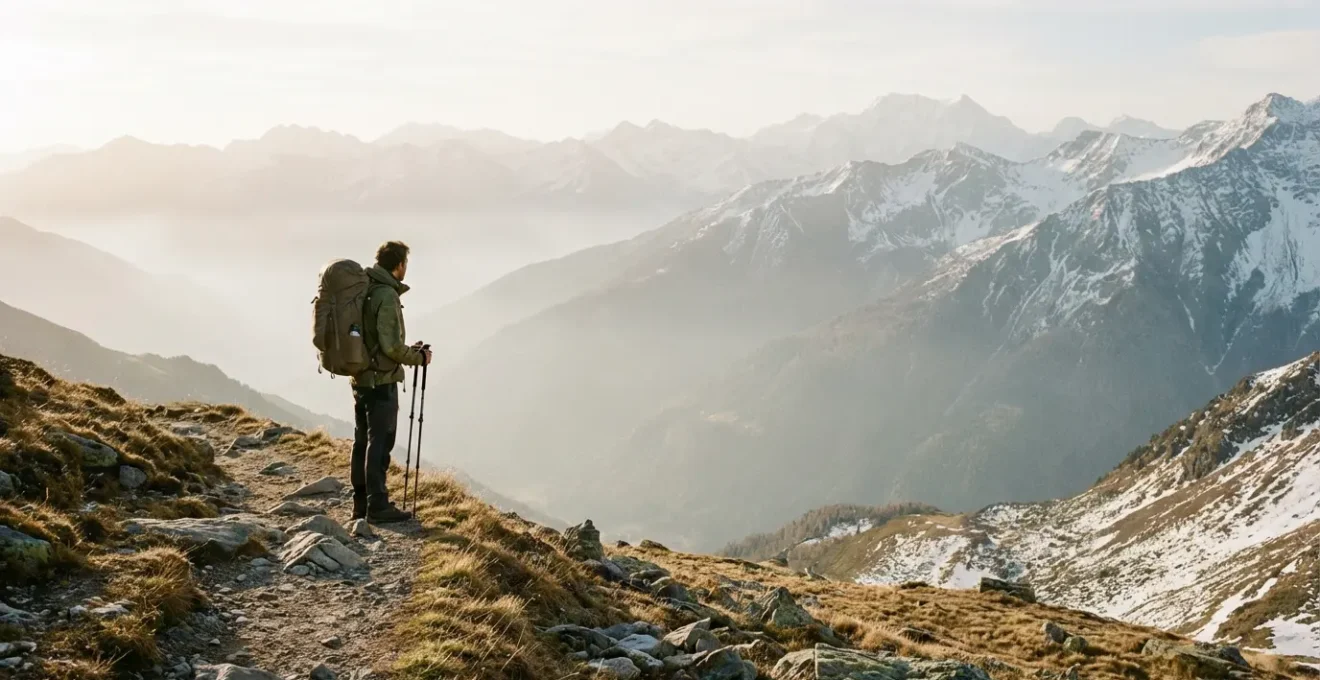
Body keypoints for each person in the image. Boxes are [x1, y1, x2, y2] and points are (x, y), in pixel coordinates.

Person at [350, 240, 432, 522]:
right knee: (380, 441)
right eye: (405, 263)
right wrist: (419, 358)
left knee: (362, 439)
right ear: (399, 265)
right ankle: (379, 505)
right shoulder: (386, 295)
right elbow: (391, 347)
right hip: (381, 380)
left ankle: (360, 504)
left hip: (361, 377)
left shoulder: (367, 287)